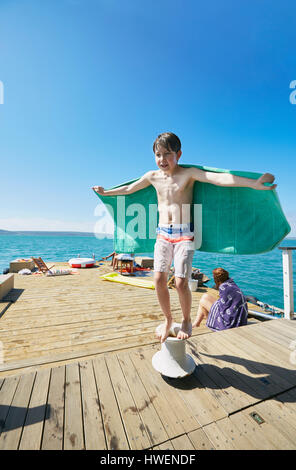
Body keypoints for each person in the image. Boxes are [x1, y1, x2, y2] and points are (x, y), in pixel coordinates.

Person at [92, 132, 276, 343]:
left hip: (184, 235)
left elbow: (220, 179)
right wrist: (106, 193)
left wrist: (252, 183)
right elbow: (129, 189)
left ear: (178, 154)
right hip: (162, 234)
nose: (162, 159)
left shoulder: (188, 174)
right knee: (158, 280)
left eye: (167, 154)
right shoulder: (152, 176)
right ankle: (168, 319)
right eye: (158, 154)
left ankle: (187, 320)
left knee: (180, 283)